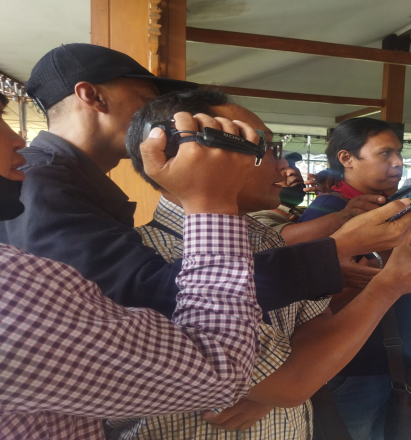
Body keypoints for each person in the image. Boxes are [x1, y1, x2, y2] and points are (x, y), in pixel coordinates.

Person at [113, 89, 411, 439]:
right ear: (191, 152)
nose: (283, 165)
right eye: (264, 147)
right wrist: (391, 282)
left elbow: (307, 355)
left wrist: (274, 390)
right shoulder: (143, 260)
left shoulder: (266, 239)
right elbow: (290, 383)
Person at [0, 43, 352, 316]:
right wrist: (335, 251)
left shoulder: (68, 177)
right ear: (92, 96)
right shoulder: (42, 180)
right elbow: (144, 296)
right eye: (148, 101)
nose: (161, 117)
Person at [1, 95, 267, 439]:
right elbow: (222, 370)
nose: (18, 139)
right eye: (241, 143)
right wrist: (212, 201)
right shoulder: (10, 291)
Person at [298, 117, 411, 440]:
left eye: (399, 153)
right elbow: (307, 302)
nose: (398, 162)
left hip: (387, 358)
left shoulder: (385, 209)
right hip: (351, 368)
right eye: (385, 153)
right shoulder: (329, 211)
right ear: (347, 158)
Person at [251, 151, 384, 247]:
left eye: (293, 165)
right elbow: (278, 240)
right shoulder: (255, 218)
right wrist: (343, 216)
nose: (292, 171)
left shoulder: (301, 210)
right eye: (280, 168)